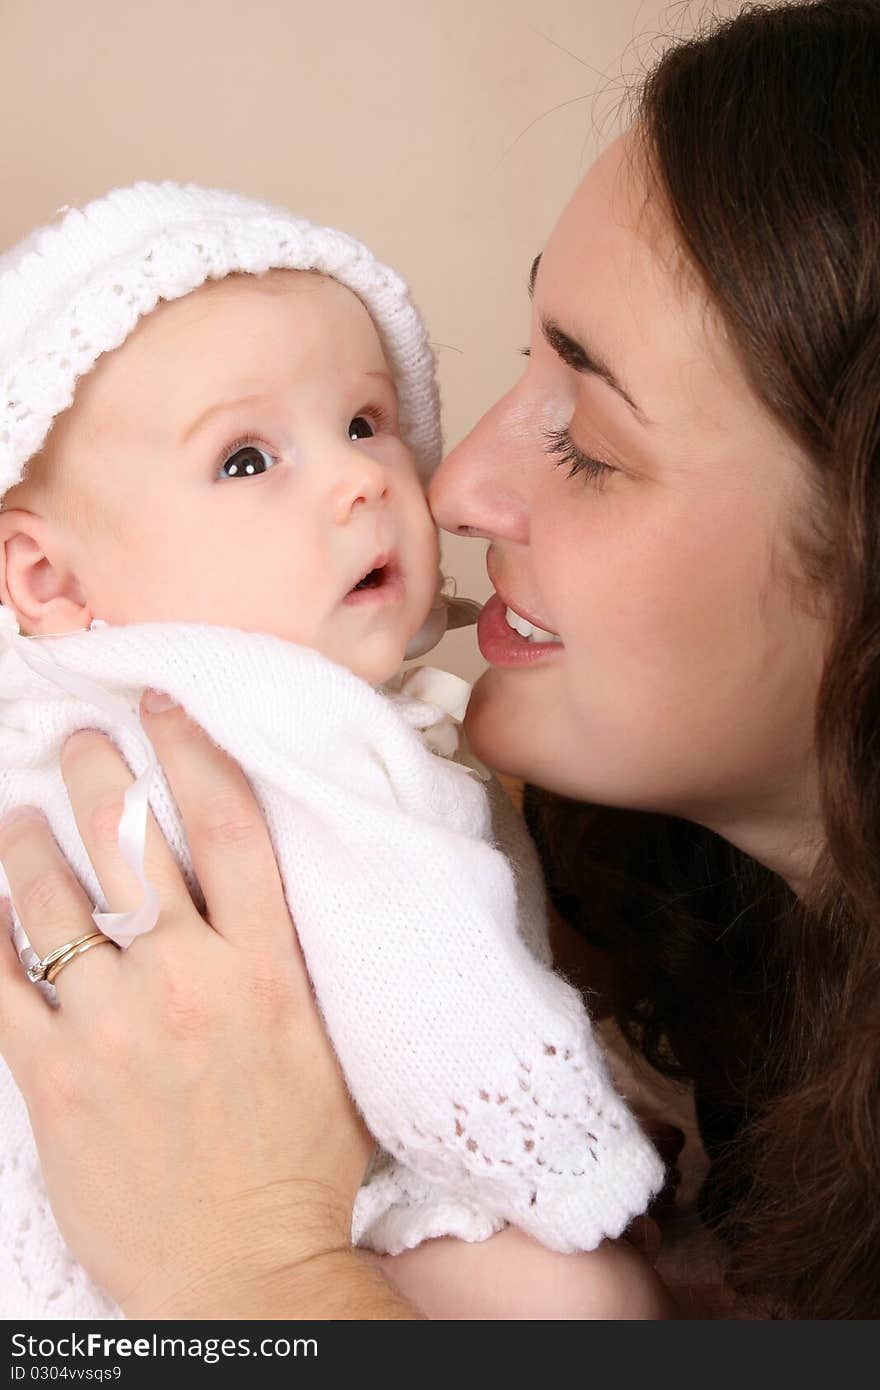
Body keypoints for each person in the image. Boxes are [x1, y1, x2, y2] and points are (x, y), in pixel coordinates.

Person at [1, 0, 877, 1319]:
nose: (442, 481)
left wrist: (261, 1274)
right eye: (522, 364)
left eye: (585, 436)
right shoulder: (642, 894)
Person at [0, 183, 667, 1319]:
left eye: (364, 423)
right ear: (46, 579)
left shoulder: (61, 710)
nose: (364, 477)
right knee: (587, 1295)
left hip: (123, 1202)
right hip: (188, 1182)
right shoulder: (282, 714)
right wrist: (564, 1155)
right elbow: (422, 959)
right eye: (248, 459)